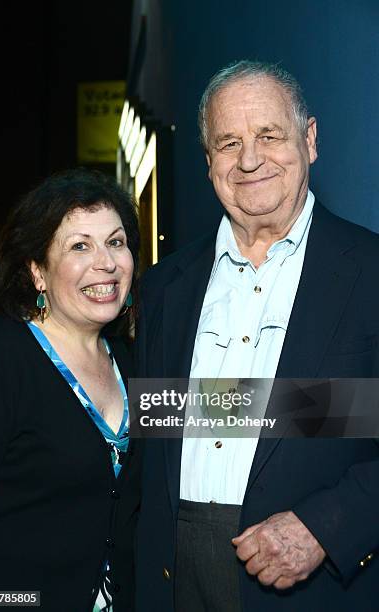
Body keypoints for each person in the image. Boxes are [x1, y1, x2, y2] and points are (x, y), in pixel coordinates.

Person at [135, 60, 379, 611]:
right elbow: (161, 437)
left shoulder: (370, 273)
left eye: (269, 135)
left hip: (312, 589)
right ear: (208, 161)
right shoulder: (165, 287)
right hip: (172, 581)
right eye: (228, 143)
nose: (249, 160)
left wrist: (326, 527)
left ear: (310, 139)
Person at [0, 168, 142, 612]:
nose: (105, 262)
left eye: (116, 241)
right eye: (79, 246)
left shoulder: (131, 361)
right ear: (37, 272)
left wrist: (339, 407)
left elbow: (224, 410)